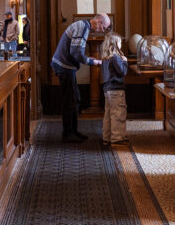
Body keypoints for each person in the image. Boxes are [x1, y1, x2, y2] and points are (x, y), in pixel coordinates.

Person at [51, 12, 110, 142]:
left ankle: (73, 131)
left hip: (67, 67)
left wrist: (88, 59)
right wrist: (92, 62)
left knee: (74, 99)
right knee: (70, 101)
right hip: (64, 67)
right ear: (99, 21)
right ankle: (68, 134)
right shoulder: (82, 27)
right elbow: (76, 53)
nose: (103, 31)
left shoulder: (84, 26)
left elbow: (76, 52)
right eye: (104, 27)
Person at [101, 32, 128, 146]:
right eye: (120, 42)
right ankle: (117, 138)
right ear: (116, 43)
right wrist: (125, 62)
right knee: (118, 114)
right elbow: (122, 72)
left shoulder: (105, 58)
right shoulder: (116, 58)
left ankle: (107, 137)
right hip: (116, 90)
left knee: (108, 114)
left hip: (107, 90)